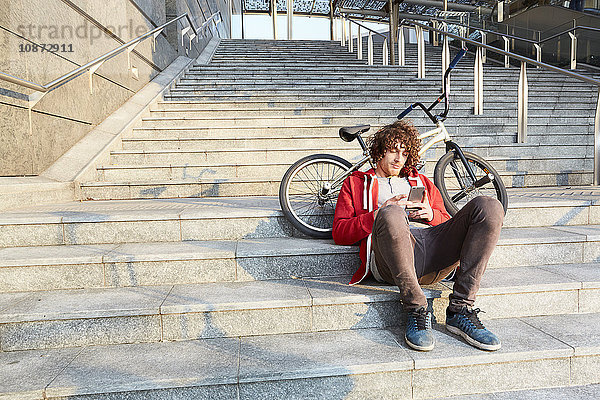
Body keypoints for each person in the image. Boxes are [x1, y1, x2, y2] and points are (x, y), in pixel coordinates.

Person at [332, 120, 505, 352]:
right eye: (393, 150)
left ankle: (460, 309)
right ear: (379, 150)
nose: (398, 158)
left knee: (489, 206)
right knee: (392, 212)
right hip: (389, 256)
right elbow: (340, 232)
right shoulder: (355, 183)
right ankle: (416, 308)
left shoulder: (421, 182)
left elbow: (447, 222)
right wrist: (377, 214)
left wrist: (431, 213)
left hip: (431, 249)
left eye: (404, 153)